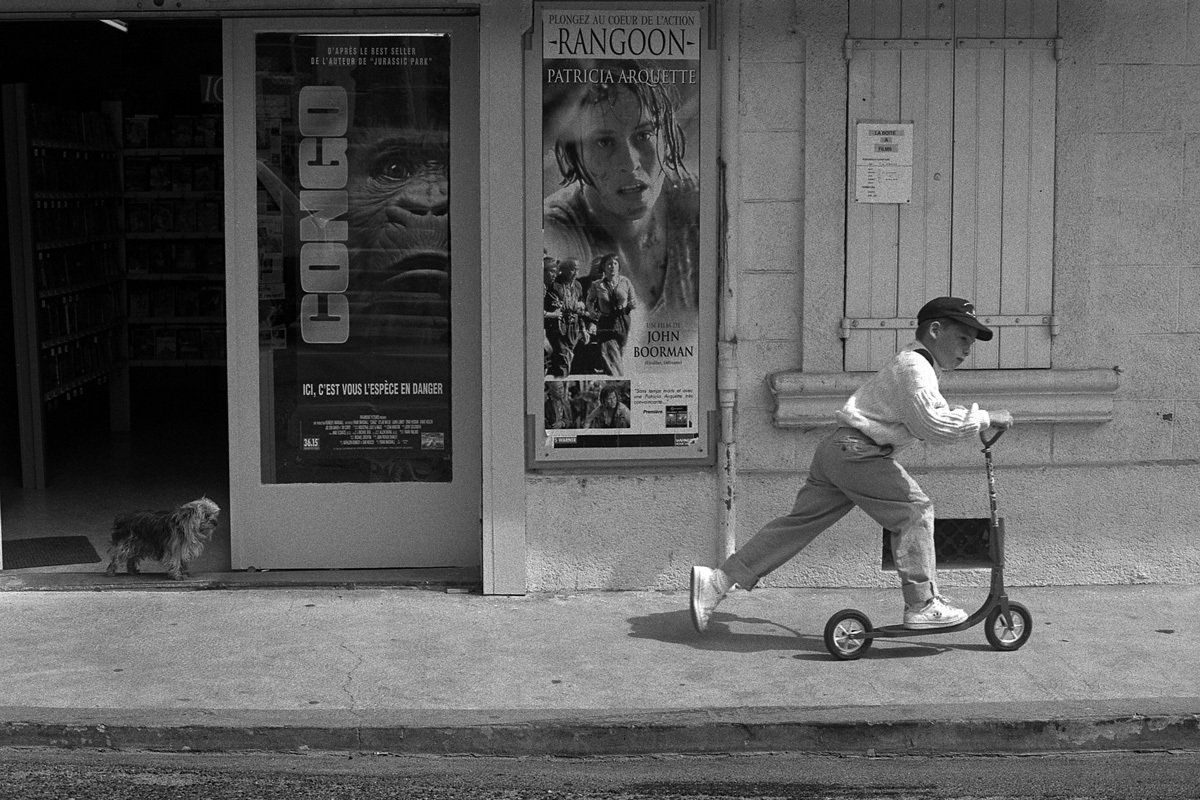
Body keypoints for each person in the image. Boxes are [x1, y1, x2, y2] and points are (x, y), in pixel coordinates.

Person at [690, 297, 1016, 633]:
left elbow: (929, 414)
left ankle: (716, 582)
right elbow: (933, 425)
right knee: (914, 511)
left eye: (971, 343)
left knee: (798, 525)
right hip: (858, 451)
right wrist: (984, 417)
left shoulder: (917, 365)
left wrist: (973, 417)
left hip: (839, 450)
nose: (967, 350)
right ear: (935, 330)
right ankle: (922, 604)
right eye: (962, 338)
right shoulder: (915, 368)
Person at [543, 62, 700, 327]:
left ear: (667, 137)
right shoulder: (554, 230)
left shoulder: (701, 204)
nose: (629, 162)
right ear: (575, 154)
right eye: (604, 142)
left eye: (644, 135)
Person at [585, 253, 638, 376]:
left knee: (620, 356)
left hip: (623, 322)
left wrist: (629, 305)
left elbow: (633, 301)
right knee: (610, 356)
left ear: (619, 266)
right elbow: (589, 301)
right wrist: (592, 312)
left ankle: (615, 376)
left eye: (615, 263)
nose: (612, 266)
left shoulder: (626, 282)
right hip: (606, 323)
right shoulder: (597, 285)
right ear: (603, 267)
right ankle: (616, 376)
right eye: (609, 264)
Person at [543, 258, 588, 377]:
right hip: (559, 329)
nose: (575, 273)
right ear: (564, 270)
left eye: (577, 269)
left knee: (568, 360)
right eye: (572, 269)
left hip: (573, 330)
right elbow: (557, 306)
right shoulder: (554, 284)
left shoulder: (578, 286)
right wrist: (576, 306)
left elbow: (582, 309)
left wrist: (583, 329)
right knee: (563, 361)